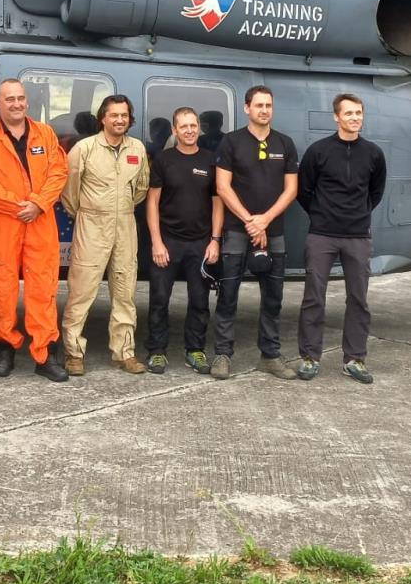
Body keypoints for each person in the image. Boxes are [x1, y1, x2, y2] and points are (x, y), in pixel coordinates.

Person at [0, 77, 69, 382]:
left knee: (43, 287)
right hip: (3, 224)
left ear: (26, 101)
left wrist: (38, 204)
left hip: (40, 221)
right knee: (3, 288)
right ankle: (4, 350)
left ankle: (44, 354)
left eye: (20, 98)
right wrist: (18, 207)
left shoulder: (45, 134)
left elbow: (59, 172)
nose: (16, 104)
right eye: (9, 99)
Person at [296, 93, 388, 384]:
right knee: (314, 297)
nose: (355, 118)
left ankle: (354, 359)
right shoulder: (318, 151)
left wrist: (358, 214)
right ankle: (310, 357)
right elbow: (303, 190)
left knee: (358, 299)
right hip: (322, 235)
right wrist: (321, 214)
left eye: (358, 113)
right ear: (336, 117)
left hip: (358, 236)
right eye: (348, 113)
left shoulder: (374, 154)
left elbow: (375, 192)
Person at [211, 85, 299, 380]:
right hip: (237, 230)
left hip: (274, 232)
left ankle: (270, 356)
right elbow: (222, 187)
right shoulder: (231, 142)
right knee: (228, 295)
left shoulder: (285, 144)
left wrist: (265, 221)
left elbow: (291, 190)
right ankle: (223, 354)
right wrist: (251, 221)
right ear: (247, 108)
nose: (264, 110)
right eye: (259, 105)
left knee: (273, 297)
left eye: (268, 105)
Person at [60, 94, 150, 375]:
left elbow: (141, 188)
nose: (120, 120)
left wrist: (121, 209)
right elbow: (69, 192)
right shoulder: (84, 149)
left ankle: (124, 353)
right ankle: (74, 354)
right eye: (114, 115)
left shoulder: (137, 148)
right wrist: (88, 214)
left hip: (125, 226)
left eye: (124, 115)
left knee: (125, 292)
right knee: (81, 292)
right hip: (91, 226)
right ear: (103, 118)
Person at [145, 106, 222, 374]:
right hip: (168, 241)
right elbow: (152, 203)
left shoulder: (210, 160)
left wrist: (215, 240)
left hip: (201, 244)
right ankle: (156, 351)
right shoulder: (163, 160)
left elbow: (218, 203)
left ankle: (195, 350)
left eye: (193, 125)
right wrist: (156, 242)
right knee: (159, 299)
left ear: (199, 128)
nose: (189, 131)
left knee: (200, 300)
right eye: (184, 126)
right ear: (174, 130)